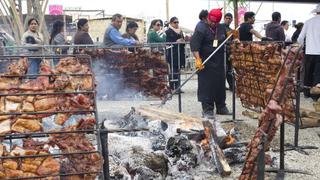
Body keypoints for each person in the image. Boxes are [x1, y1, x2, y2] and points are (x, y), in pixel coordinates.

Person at [190, 8, 231, 117]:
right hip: (205, 62)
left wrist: (234, 36)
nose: (213, 24)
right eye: (211, 21)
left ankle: (221, 106)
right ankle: (207, 109)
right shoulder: (201, 28)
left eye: (215, 22)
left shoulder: (221, 28)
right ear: (208, 18)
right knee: (207, 86)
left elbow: (227, 40)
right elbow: (194, 46)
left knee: (220, 85)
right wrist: (198, 60)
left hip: (219, 62)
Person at [297, 4, 320, 100]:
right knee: (318, 74)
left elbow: (300, 38)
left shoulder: (308, 22)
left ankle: (307, 93)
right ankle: (316, 95)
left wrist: (302, 47)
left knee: (308, 72)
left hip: (309, 52)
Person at [165, 17, 185, 92]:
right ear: (171, 23)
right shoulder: (167, 32)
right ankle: (172, 87)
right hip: (172, 54)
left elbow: (183, 42)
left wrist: (182, 41)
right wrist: (176, 42)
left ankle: (178, 87)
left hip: (180, 53)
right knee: (173, 71)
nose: (176, 24)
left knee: (178, 71)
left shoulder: (180, 31)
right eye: (175, 22)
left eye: (177, 22)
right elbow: (167, 43)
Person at [222, 13, 234, 91]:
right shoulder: (220, 27)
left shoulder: (231, 30)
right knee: (222, 70)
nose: (228, 20)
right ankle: (222, 86)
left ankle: (231, 86)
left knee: (229, 69)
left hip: (228, 51)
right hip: (221, 51)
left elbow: (232, 41)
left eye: (229, 18)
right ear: (224, 18)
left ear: (232, 19)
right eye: (226, 18)